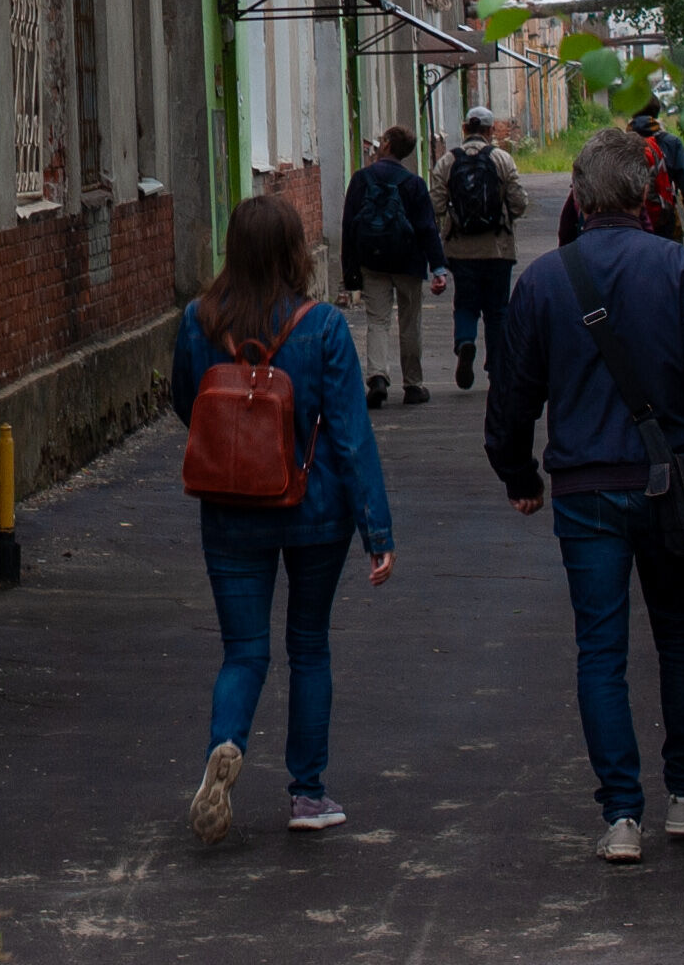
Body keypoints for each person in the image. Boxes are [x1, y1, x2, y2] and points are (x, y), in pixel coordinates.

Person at [488, 125, 684, 865]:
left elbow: (513, 395)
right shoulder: (675, 271)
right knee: (681, 637)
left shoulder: (544, 282)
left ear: (579, 197)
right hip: (671, 489)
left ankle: (620, 815)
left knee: (600, 650)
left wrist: (519, 475)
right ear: (647, 195)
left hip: (585, 492)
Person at [172, 193, 395, 843]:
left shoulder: (197, 321)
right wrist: (376, 532)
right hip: (314, 510)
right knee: (308, 648)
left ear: (232, 249)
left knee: (243, 651)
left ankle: (226, 743)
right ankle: (308, 794)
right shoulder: (321, 326)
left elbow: (188, 403)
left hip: (229, 509)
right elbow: (351, 435)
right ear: (295, 251)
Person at [337, 126, 442, 406]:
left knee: (378, 320)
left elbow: (349, 226)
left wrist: (350, 269)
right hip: (409, 262)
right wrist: (439, 268)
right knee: (410, 322)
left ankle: (378, 378)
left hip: (372, 261)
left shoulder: (361, 180)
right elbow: (427, 228)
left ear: (385, 145)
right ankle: (413, 385)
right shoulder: (414, 183)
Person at [438, 104, 529, 391]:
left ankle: (465, 342)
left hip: (461, 251)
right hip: (498, 249)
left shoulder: (448, 161)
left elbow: (436, 203)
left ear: (465, 128)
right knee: (497, 309)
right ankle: (497, 365)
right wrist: (504, 218)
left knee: (465, 304)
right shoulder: (502, 159)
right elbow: (519, 202)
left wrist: (453, 223)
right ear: (490, 130)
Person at [556, 95, 684, 259]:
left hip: (627, 224)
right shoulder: (671, 144)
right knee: (668, 268)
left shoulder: (618, 145)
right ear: (657, 113)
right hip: (664, 225)